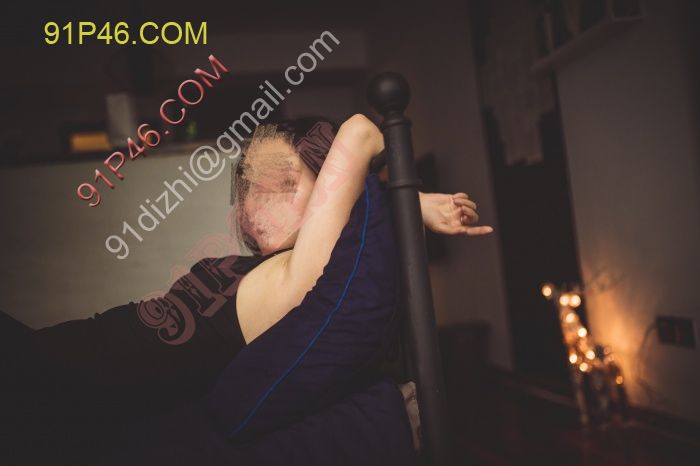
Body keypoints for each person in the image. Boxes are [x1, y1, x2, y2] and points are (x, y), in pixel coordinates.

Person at [0, 114, 492, 465]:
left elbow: (358, 132)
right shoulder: (264, 266)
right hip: (64, 361)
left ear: (328, 186)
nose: (257, 203)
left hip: (66, 383)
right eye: (251, 185)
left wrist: (402, 197)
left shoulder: (294, 275)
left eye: (284, 182)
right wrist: (411, 205)